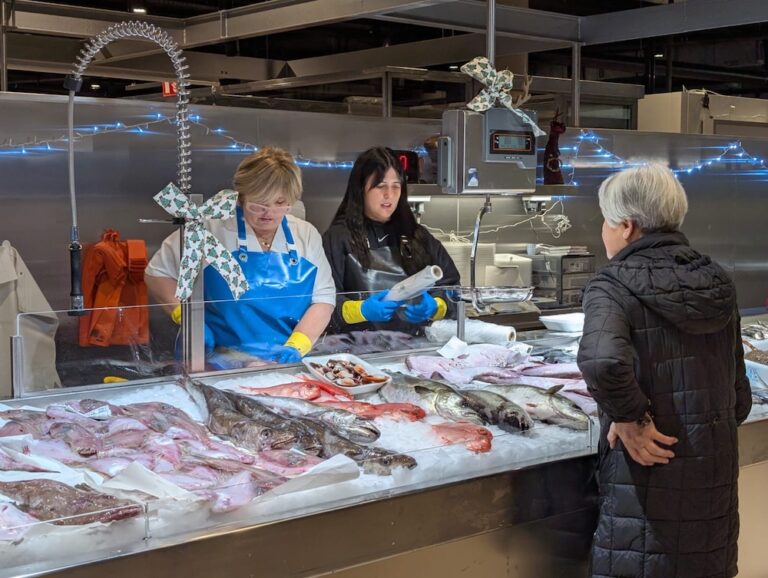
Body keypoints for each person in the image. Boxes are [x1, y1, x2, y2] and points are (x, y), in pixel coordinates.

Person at [576, 164, 752, 578]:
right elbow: (739, 399)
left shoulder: (612, 284)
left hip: (646, 480)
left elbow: (602, 360)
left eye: (606, 219)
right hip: (713, 487)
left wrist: (631, 417)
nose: (603, 230)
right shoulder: (718, 281)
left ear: (627, 227)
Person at [145, 147, 335, 366]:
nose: (269, 213)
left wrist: (297, 345)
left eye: (280, 203)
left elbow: (323, 298)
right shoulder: (211, 228)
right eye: (259, 204)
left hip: (283, 362)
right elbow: (157, 274)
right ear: (241, 197)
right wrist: (187, 319)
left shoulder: (305, 234)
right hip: (216, 360)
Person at [322, 147, 460, 333]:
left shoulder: (417, 236)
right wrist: (360, 310)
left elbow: (453, 289)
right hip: (358, 347)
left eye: (396, 186)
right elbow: (322, 302)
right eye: (380, 186)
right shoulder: (338, 238)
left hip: (416, 345)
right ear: (361, 189)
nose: (389, 194)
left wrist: (437, 306)